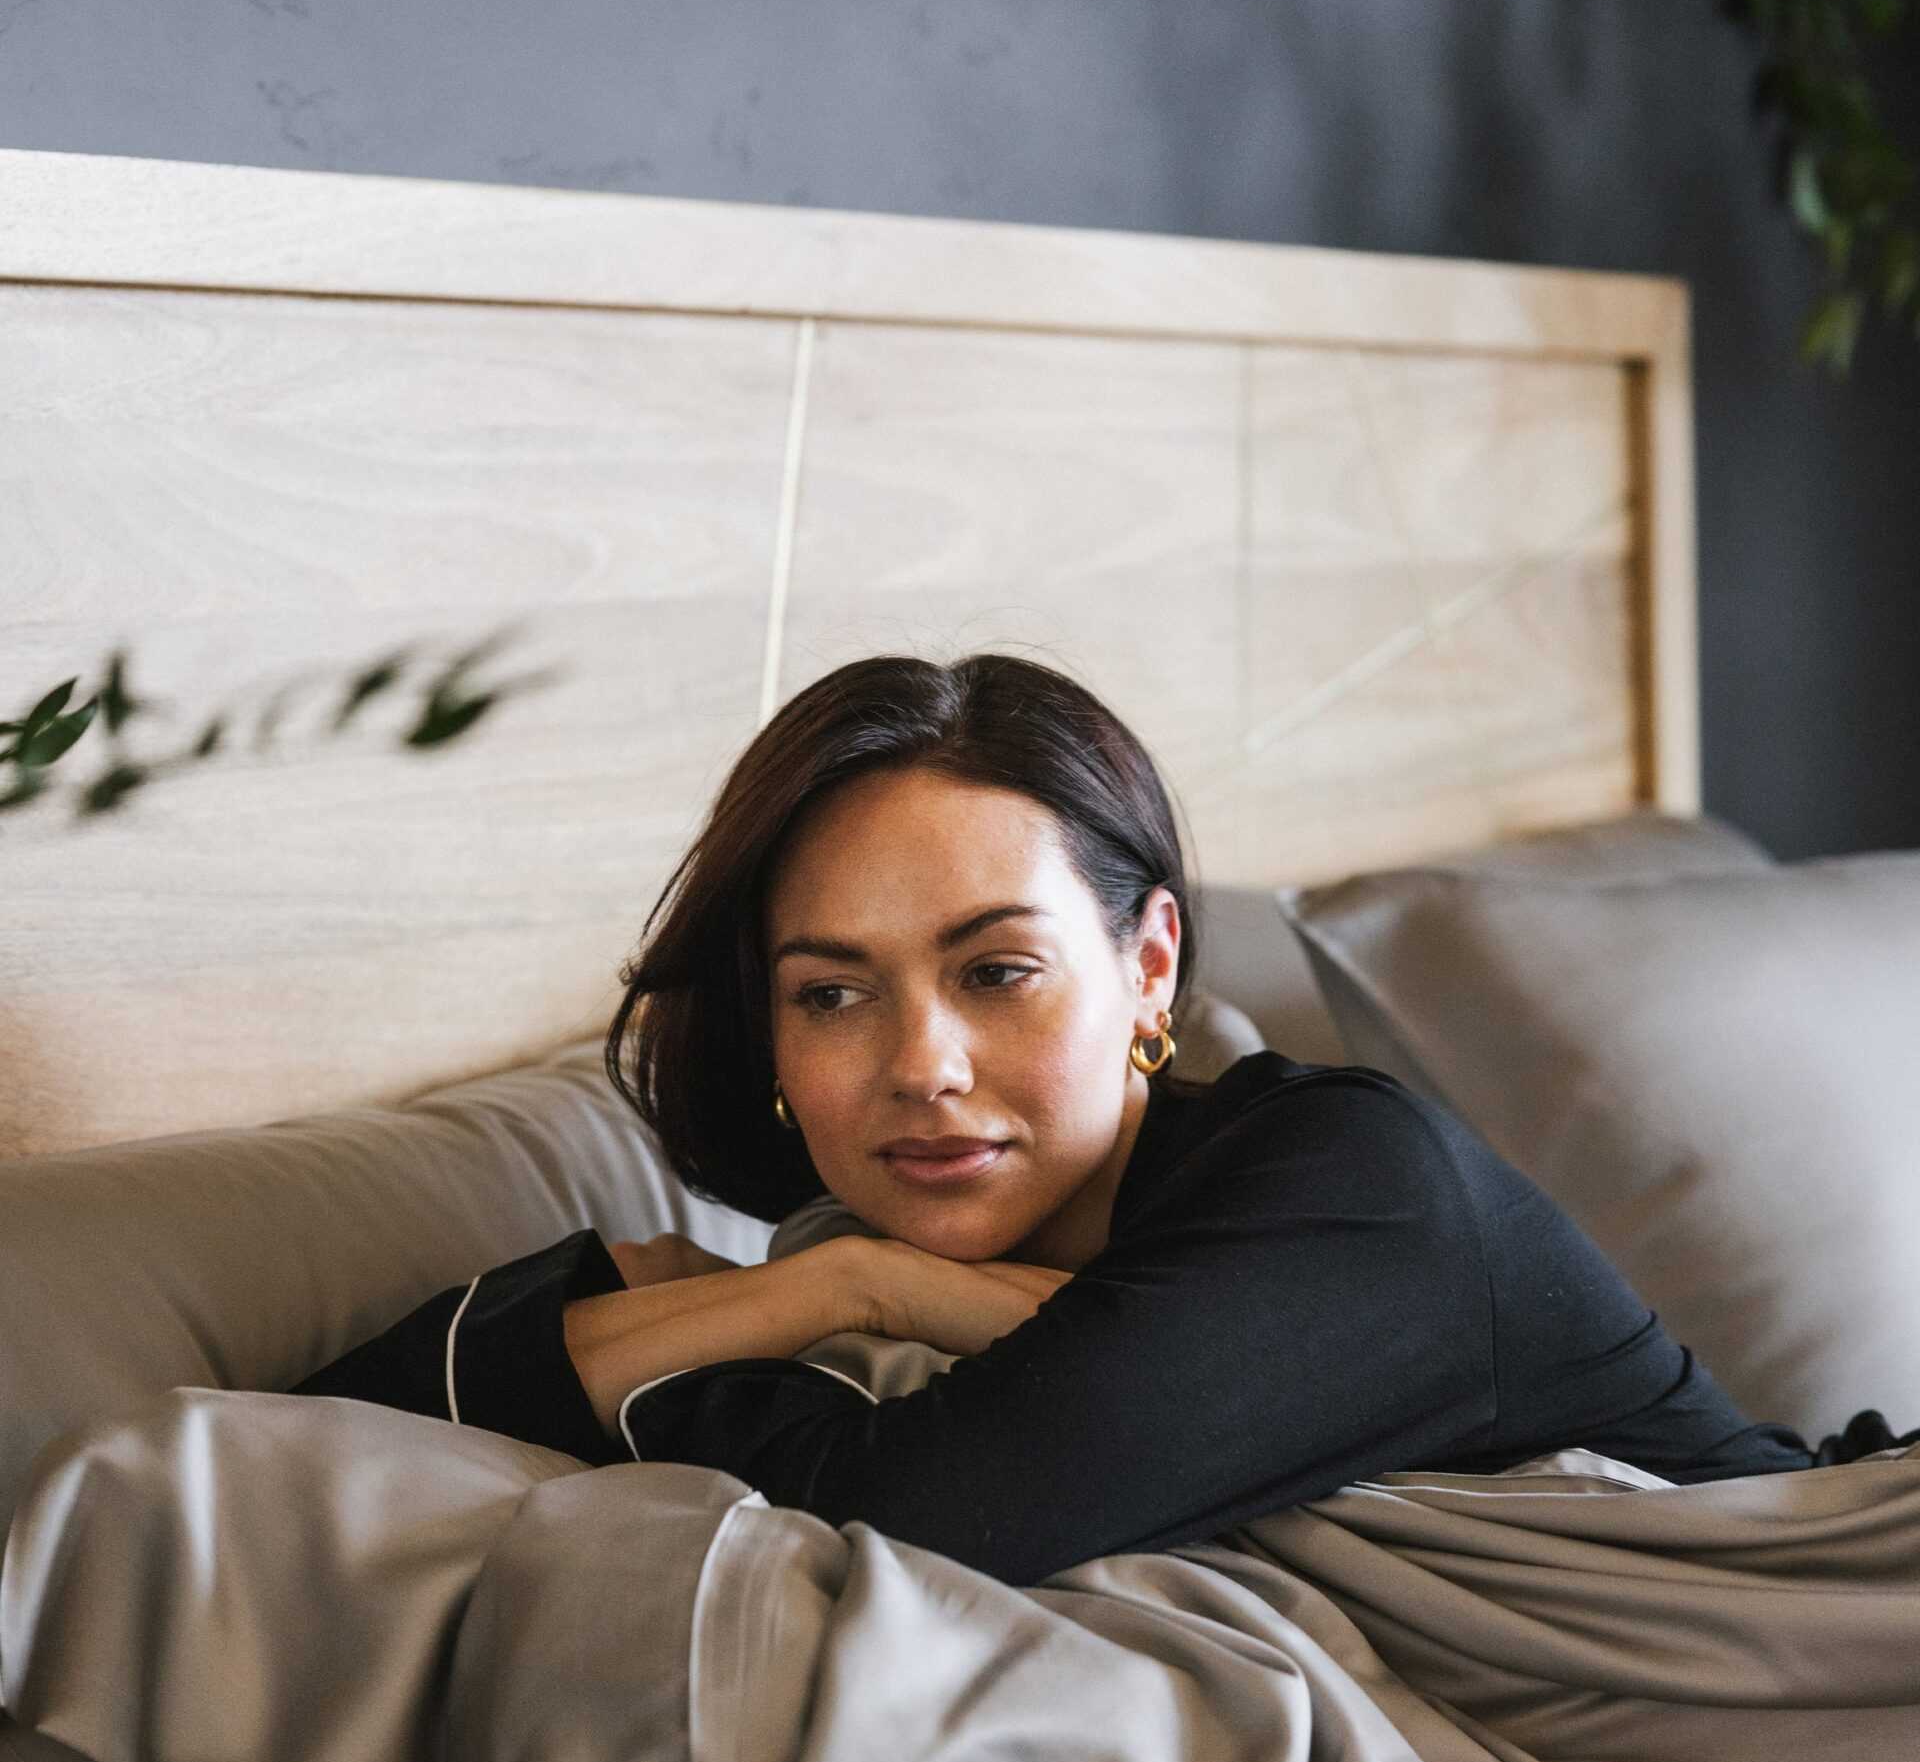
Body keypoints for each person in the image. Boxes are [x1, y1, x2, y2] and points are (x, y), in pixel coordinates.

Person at [291, 652, 1817, 1589]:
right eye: (833, 994)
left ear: (1148, 964)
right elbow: (338, 1424)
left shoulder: (1355, 1185)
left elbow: (916, 1528)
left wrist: (843, 1294)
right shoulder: (823, 1254)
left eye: (997, 972)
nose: (923, 1065)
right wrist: (828, 1283)